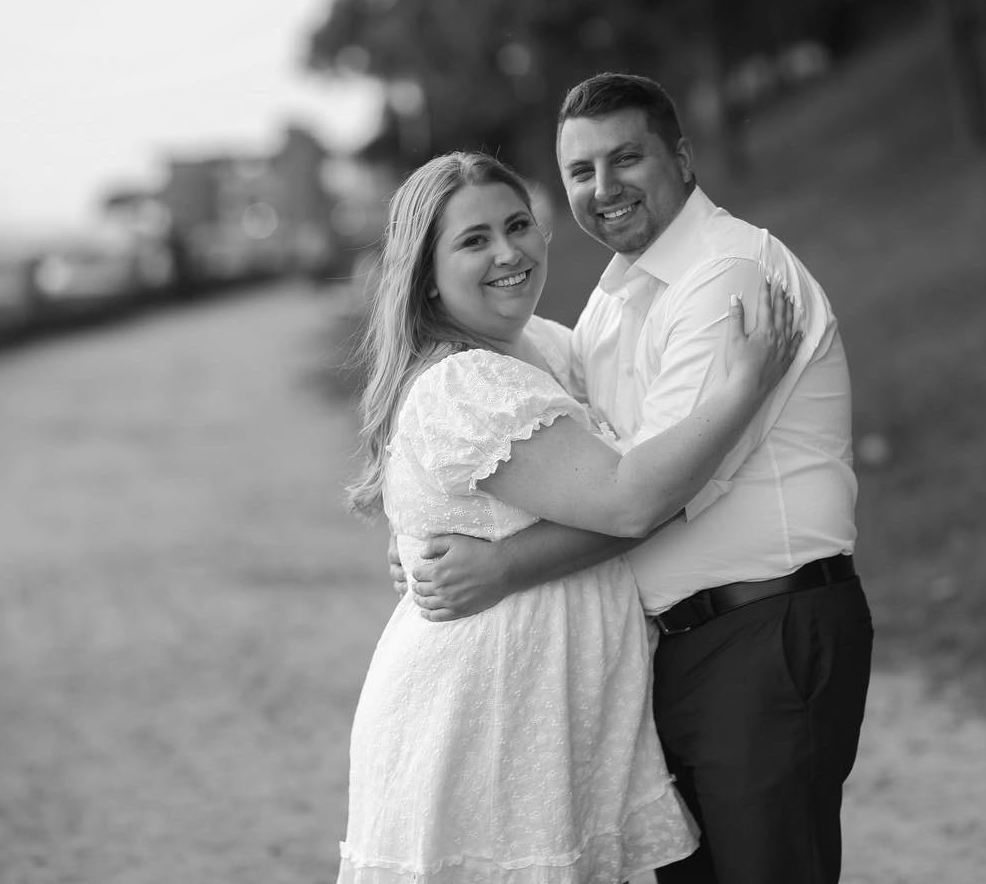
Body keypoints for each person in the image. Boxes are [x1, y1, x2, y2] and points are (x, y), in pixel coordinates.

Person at [402, 73, 874, 884]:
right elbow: (563, 461)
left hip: (763, 629)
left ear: (682, 159)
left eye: (626, 159)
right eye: (581, 171)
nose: (604, 187)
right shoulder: (612, 303)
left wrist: (502, 565)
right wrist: (437, 535)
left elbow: (649, 496)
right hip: (675, 652)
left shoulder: (729, 277)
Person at [338, 150, 801, 884]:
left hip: (552, 709)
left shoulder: (546, 348)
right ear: (426, 274)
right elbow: (630, 500)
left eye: (517, 225)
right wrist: (743, 388)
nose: (508, 252)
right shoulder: (464, 384)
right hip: (487, 718)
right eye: (474, 240)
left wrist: (499, 560)